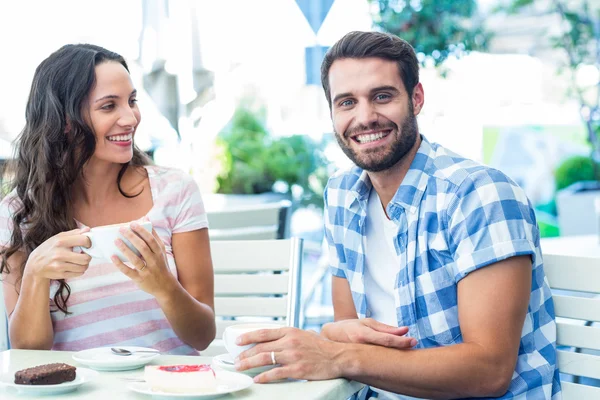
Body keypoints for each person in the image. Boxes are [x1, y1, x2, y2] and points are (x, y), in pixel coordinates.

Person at [234, 31, 561, 399]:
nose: (365, 117)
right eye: (346, 103)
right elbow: (348, 328)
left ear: (416, 99)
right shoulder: (341, 195)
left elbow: (489, 371)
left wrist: (339, 353)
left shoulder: (478, 195)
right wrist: (331, 337)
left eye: (382, 96)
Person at [0, 44, 216, 355]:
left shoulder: (175, 190)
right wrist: (35, 273)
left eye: (131, 101)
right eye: (108, 106)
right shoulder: (19, 213)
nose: (130, 118)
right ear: (64, 120)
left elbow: (203, 336)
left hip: (169, 384)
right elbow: (28, 352)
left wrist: (165, 287)